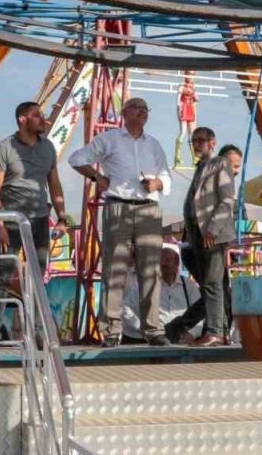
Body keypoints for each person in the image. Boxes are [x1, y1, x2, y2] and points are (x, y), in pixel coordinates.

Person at [69, 96, 172, 346]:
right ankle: (111, 330)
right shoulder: (109, 139)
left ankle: (153, 330)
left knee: (151, 269)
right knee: (115, 269)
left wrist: (157, 183)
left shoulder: (154, 144)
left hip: (149, 209)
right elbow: (76, 159)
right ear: (124, 113)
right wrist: (98, 178)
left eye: (145, 109)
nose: (142, 112)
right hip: (118, 206)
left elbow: (166, 176)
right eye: (137, 108)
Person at [0, 101, 72, 292]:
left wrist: (62, 218)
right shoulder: (5, 148)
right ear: (22, 119)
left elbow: (54, 185)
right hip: (11, 220)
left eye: (43, 115)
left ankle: (31, 310)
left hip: (39, 218)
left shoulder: (48, 147)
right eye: (37, 115)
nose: (43, 119)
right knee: (4, 274)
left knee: (38, 273)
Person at [173, 127, 235, 347]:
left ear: (212, 142)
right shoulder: (201, 167)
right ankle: (220, 330)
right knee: (214, 286)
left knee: (212, 284)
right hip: (197, 235)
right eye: (194, 141)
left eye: (201, 140)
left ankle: (214, 331)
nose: (197, 145)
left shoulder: (220, 164)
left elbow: (227, 199)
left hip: (212, 236)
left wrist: (213, 229)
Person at [121, 244, 201, 343]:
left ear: (176, 263)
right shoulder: (147, 284)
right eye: (160, 260)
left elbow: (200, 312)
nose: (163, 263)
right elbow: (125, 307)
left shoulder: (188, 285)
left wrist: (192, 334)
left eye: (167, 260)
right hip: (153, 340)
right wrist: (140, 327)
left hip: (182, 340)